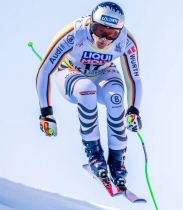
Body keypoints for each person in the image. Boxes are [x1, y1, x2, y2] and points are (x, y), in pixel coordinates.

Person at [35, 2, 142, 190]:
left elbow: (134, 80)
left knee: (116, 97)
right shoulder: (74, 33)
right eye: (99, 30)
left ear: (119, 31)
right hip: (69, 71)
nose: (103, 39)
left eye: (111, 35)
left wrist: (133, 110)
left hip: (103, 72)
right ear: (90, 23)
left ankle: (117, 162)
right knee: (86, 90)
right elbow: (44, 71)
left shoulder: (127, 41)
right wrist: (46, 113)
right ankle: (95, 155)